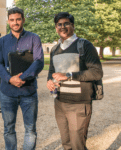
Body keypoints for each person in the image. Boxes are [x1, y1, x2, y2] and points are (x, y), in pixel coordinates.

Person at [46, 12, 103, 150]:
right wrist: (49, 81)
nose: (62, 27)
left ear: (73, 26)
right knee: (66, 143)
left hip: (79, 104)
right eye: (59, 24)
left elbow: (97, 72)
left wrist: (69, 75)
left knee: (77, 145)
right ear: (55, 27)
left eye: (66, 23)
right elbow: (51, 72)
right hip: (59, 103)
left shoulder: (85, 45)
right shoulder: (55, 49)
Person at [0, 7, 44, 150]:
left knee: (30, 129)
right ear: (8, 21)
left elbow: (39, 61)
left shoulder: (34, 38)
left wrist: (22, 77)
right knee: (8, 129)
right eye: (12, 20)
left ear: (23, 19)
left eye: (18, 19)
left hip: (28, 91)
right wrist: (9, 79)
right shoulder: (2, 41)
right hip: (7, 92)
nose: (15, 22)